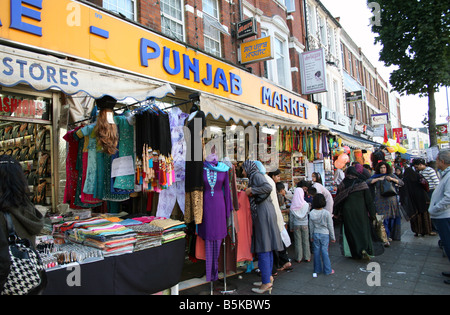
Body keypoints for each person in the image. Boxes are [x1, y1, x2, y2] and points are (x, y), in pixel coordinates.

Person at [0, 155, 44, 292]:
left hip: (7, 285)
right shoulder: (28, 209)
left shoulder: (3, 214)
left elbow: (3, 260)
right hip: (27, 282)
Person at [242, 160, 283, 294]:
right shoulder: (257, 175)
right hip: (266, 211)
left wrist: (251, 190)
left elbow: (267, 188)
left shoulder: (256, 176)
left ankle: (266, 283)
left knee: (264, 247)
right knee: (268, 247)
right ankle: (268, 277)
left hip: (263, 213)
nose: (242, 172)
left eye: (243, 169)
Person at [333, 166, 377, 260]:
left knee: (351, 232)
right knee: (363, 231)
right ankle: (364, 250)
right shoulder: (362, 183)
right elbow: (369, 201)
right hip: (361, 212)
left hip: (348, 213)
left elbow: (337, 200)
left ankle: (356, 252)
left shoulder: (343, 184)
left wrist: (336, 213)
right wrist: (373, 214)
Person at [366, 162, 404, 243]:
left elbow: (401, 182)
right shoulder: (376, 176)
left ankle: (390, 235)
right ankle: (384, 236)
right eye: (381, 168)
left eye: (384, 168)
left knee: (391, 219)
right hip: (380, 201)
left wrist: (392, 179)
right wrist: (378, 179)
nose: (383, 169)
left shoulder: (391, 175)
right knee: (382, 219)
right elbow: (368, 182)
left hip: (391, 201)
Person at [428, 150, 450, 284]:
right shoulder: (445, 175)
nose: (436, 163)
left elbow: (448, 198)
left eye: (437, 160)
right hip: (442, 215)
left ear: (442, 161)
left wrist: (435, 208)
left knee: (448, 243)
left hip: (445, 215)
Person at [401, 158, 435, 236]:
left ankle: (417, 231)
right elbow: (425, 184)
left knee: (415, 216)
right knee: (424, 215)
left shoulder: (405, 179)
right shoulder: (418, 176)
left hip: (412, 200)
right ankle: (426, 230)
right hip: (422, 198)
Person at [309, 194, 335, 277]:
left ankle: (317, 269)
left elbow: (311, 226)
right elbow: (330, 226)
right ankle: (328, 270)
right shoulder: (326, 213)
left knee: (316, 252)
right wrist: (332, 237)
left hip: (316, 233)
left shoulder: (312, 213)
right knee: (324, 251)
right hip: (325, 234)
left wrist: (311, 236)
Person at [290, 186, 310, 263]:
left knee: (297, 241)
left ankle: (298, 258)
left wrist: (291, 227)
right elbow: (308, 214)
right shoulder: (306, 205)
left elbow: (291, 219)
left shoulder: (293, 205)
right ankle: (307, 257)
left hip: (296, 224)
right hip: (305, 224)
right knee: (305, 240)